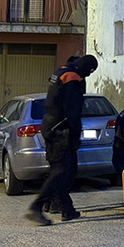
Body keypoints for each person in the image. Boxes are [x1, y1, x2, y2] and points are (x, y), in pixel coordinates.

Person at [25, 54, 98, 225]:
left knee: (63, 170)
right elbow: (73, 111)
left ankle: (67, 209)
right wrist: (75, 135)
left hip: (49, 125)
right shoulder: (73, 78)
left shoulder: (61, 72)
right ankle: (36, 207)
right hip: (61, 130)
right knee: (60, 170)